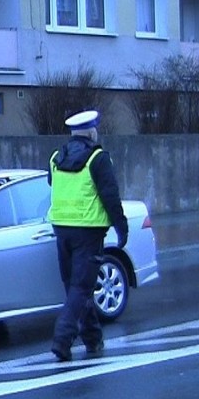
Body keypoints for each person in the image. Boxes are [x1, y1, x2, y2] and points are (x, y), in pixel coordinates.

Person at [47, 110, 128, 361]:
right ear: (93, 131)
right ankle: (62, 339)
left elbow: (53, 184)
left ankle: (93, 338)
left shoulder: (55, 158)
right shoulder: (98, 158)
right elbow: (110, 196)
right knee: (81, 287)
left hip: (61, 229)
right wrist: (121, 227)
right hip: (89, 232)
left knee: (75, 287)